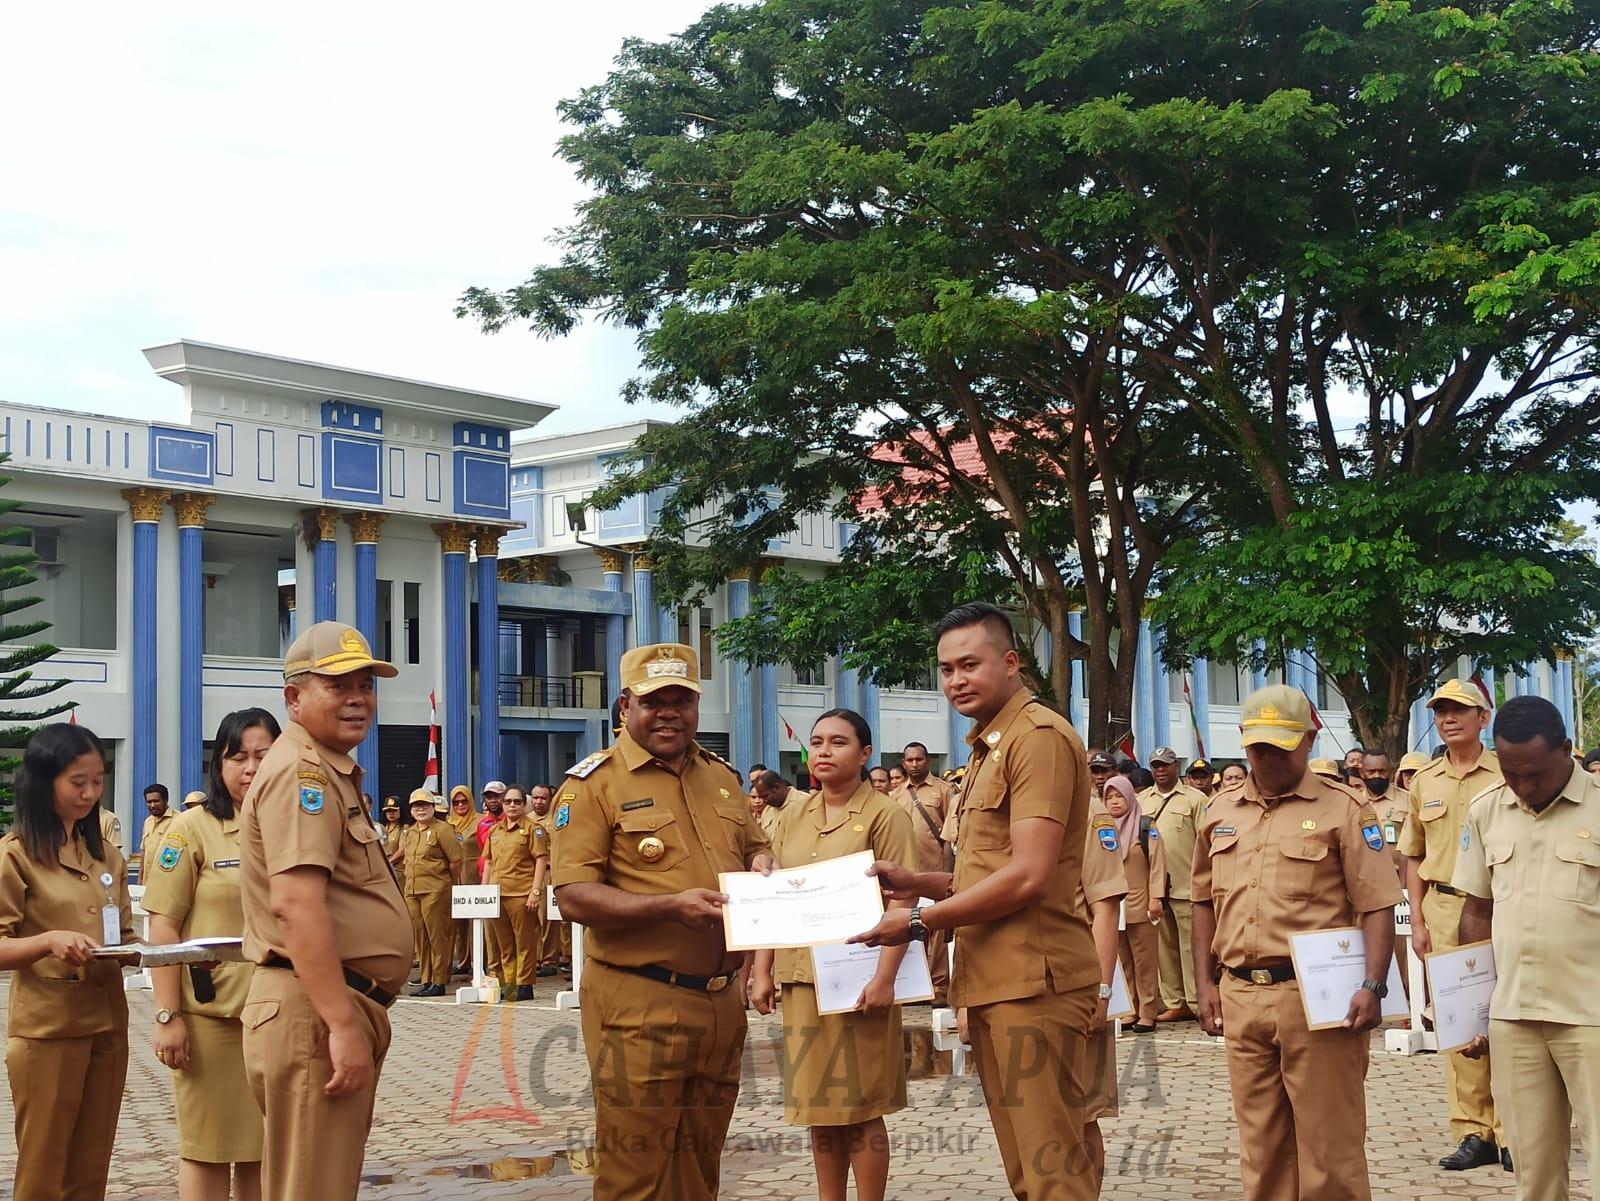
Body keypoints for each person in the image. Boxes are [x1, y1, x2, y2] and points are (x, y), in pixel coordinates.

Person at [853, 602, 1101, 1201]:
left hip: (1034, 984)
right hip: (997, 980)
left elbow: (1029, 876)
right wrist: (917, 882)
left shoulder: (1035, 737)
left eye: (970, 664)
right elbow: (985, 874)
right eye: (945, 669)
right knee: (1029, 1168)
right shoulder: (991, 745)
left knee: (1052, 1170)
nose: (956, 680)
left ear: (1011, 662)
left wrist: (917, 920)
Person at [553, 642, 774, 1201]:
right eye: (655, 701)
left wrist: (763, 862)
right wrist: (668, 906)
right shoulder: (592, 785)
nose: (670, 712)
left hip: (721, 1001)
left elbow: (757, 849)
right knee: (638, 1173)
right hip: (639, 1000)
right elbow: (574, 896)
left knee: (700, 1168)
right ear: (626, 705)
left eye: (682, 700)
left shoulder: (720, 777)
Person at [1193, 685, 1400, 1201]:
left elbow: (1376, 903)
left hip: (1318, 999)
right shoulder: (1218, 812)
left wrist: (1374, 985)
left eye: (1281, 745)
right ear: (1242, 740)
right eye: (1257, 745)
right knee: (1261, 1149)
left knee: (1330, 1151)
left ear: (1309, 740)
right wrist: (1204, 982)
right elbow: (1202, 901)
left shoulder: (1345, 810)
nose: (1267, 756)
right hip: (1241, 994)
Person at [237, 621, 412, 1201]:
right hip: (313, 1012)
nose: (358, 698)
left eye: (366, 684)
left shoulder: (327, 769)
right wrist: (341, 1024)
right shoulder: (302, 774)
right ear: (294, 697)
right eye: (338, 685)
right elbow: (295, 904)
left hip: (325, 1006)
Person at [751, 709, 917, 1201]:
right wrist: (762, 969)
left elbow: (903, 902)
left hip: (861, 976)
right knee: (817, 1106)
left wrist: (886, 979)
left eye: (838, 742)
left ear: (865, 754)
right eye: (817, 742)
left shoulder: (885, 815)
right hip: (803, 978)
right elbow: (774, 895)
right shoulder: (792, 814)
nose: (823, 751)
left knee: (863, 1106)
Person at [1454, 696, 1600, 1201]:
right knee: (1533, 1173)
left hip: (1591, 1016)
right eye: (1511, 773)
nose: (1523, 787)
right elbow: (1476, 910)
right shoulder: (1486, 810)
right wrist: (1471, 1009)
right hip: (1513, 1019)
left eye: (1534, 774)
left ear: (1567, 750)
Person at [143, 707, 280, 1201]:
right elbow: (163, 924)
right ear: (218, 765)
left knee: (265, 1149)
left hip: (279, 1017)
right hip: (212, 1020)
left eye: (263, 755)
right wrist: (166, 1015)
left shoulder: (293, 824)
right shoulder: (191, 829)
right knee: (207, 1146)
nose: (251, 768)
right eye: (238, 756)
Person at [0, 722, 131, 1201]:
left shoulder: (107, 858)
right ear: (43, 781)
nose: (91, 793)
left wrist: (177, 955)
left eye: (98, 780)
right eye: (78, 782)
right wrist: (47, 941)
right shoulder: (16, 857)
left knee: (90, 1170)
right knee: (44, 1173)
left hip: (107, 1028)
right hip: (48, 1034)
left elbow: (127, 939)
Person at [1398, 678, 1507, 1172]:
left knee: (1508, 1019)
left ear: (1484, 718)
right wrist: (1417, 919)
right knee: (1461, 1023)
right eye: (1441, 711)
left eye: (1460, 710)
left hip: (1503, 906)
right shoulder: (1425, 780)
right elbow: (1412, 854)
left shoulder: (1507, 772)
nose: (1448, 718)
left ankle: (1512, 1131)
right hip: (1443, 909)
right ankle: (1473, 1132)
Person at [1139, 745, 1208, 1023]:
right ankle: (1175, 1001)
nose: (1159, 770)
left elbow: (1205, 842)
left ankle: (1197, 1000)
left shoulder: (1195, 799)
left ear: (1176, 767)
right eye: (1155, 765)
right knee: (1163, 948)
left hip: (1186, 884)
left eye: (1165, 765)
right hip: (1154, 887)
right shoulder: (1141, 799)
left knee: (1192, 947)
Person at [891, 740, 955, 1007]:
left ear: (927, 761)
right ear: (903, 763)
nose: (914, 764)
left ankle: (939, 987)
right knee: (908, 929)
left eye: (919, 760)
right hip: (905, 876)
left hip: (935, 872)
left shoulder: (944, 791)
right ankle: (914, 986)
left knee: (937, 930)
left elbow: (949, 837)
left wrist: (949, 871)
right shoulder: (895, 796)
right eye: (909, 760)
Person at [1101, 774, 1166, 1032]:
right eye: (1109, 797)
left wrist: (1156, 897)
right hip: (1114, 907)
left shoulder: (1145, 825)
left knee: (1145, 961)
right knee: (1122, 960)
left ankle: (1148, 1012)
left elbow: (1158, 864)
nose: (1115, 802)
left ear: (1130, 796)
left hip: (1142, 903)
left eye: (1119, 796)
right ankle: (1130, 1009)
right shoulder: (1103, 828)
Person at [400, 787, 464, 997]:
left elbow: (456, 860)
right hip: (413, 890)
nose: (421, 809)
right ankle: (426, 979)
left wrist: (448, 881)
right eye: (416, 806)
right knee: (421, 937)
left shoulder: (442, 829)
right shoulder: (408, 832)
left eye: (425, 805)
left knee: (437, 936)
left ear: (432, 807)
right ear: (411, 810)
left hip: (435, 890)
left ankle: (439, 980)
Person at [1358, 748, 1412, 995]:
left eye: (1382, 770)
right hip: (1361, 890)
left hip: (1398, 888)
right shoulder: (1352, 801)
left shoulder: (1407, 801)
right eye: (1371, 771)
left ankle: (1409, 1004)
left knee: (1402, 951)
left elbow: (1413, 848)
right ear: (1362, 772)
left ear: (1390, 771)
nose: (1377, 775)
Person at [484, 783, 543, 1001]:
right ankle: (509, 984)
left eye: (517, 802)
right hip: (497, 893)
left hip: (521, 893)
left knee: (524, 942)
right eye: (508, 801)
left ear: (524, 804)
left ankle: (525, 984)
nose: (511, 805)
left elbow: (541, 860)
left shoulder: (533, 829)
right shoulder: (494, 830)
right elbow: (489, 862)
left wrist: (535, 891)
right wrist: (484, 892)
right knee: (505, 944)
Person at [527, 783, 561, 978]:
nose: (539, 802)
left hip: (549, 872)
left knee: (548, 919)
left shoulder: (556, 820)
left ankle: (548, 959)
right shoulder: (527, 820)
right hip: (529, 874)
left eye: (543, 798)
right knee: (532, 920)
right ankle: (535, 958)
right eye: (535, 798)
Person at [446, 785, 481, 975]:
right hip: (454, 877)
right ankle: (462, 960)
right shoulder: (447, 823)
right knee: (458, 920)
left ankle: (478, 959)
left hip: (474, 875)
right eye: (456, 802)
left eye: (464, 801)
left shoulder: (481, 821)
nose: (460, 805)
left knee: (476, 918)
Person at [753, 769, 800, 840]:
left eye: (766, 796)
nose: (764, 801)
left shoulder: (804, 803)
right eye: (761, 797)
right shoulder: (767, 811)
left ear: (776, 787)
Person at [139, 783, 174, 875]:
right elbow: (144, 851)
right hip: (147, 881)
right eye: (149, 802)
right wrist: (140, 879)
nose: (152, 805)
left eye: (156, 801)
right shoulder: (148, 821)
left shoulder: (178, 821)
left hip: (166, 879)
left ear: (166, 800)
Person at [379, 797, 404, 863]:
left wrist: (387, 863)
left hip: (398, 869)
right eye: (388, 811)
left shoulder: (405, 829)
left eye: (394, 810)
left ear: (400, 811)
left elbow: (402, 851)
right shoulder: (381, 828)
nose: (391, 813)